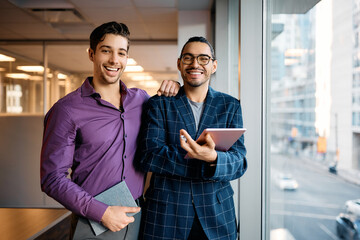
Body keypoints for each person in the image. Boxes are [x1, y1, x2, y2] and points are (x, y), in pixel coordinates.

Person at [40, 21, 180, 240]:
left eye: (121, 53)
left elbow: (170, 120)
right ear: (91, 54)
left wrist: (176, 87)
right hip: (93, 221)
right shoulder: (66, 110)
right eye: (106, 51)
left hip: (137, 216)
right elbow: (52, 178)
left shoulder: (141, 100)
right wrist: (101, 212)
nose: (115, 60)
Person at [137, 36, 248, 240]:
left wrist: (213, 159)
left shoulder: (230, 106)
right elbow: (149, 155)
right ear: (179, 64)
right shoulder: (160, 104)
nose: (195, 64)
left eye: (203, 58)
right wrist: (202, 160)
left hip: (217, 215)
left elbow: (239, 162)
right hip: (166, 214)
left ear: (214, 66)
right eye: (188, 58)